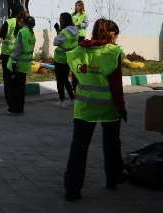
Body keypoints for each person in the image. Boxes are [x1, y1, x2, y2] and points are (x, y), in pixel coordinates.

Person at [63, 19, 128, 202]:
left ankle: (72, 190)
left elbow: (75, 80)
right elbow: (116, 85)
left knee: (79, 148)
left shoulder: (77, 52)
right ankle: (113, 179)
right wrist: (121, 106)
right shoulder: (113, 53)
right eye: (115, 36)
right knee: (112, 145)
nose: (116, 40)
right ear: (110, 35)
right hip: (108, 109)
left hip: (84, 108)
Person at [3, 12, 35, 116]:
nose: (18, 23)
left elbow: (18, 49)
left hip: (18, 65)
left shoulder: (22, 32)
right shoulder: (31, 33)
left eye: (18, 21)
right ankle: (20, 109)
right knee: (21, 89)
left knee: (13, 88)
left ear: (22, 21)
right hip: (25, 66)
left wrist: (13, 63)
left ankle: (12, 109)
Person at [52, 12, 78, 107]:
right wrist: (58, 30)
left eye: (61, 19)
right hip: (69, 58)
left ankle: (62, 101)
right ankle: (72, 98)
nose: (60, 21)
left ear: (64, 20)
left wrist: (58, 31)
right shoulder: (75, 30)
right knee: (65, 79)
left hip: (60, 59)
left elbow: (56, 42)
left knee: (60, 80)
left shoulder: (64, 32)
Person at [0, 15, 18, 103]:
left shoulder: (9, 22)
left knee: (7, 76)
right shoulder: (23, 24)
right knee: (14, 75)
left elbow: (1, 34)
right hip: (17, 54)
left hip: (7, 54)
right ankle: (14, 95)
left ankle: (8, 96)